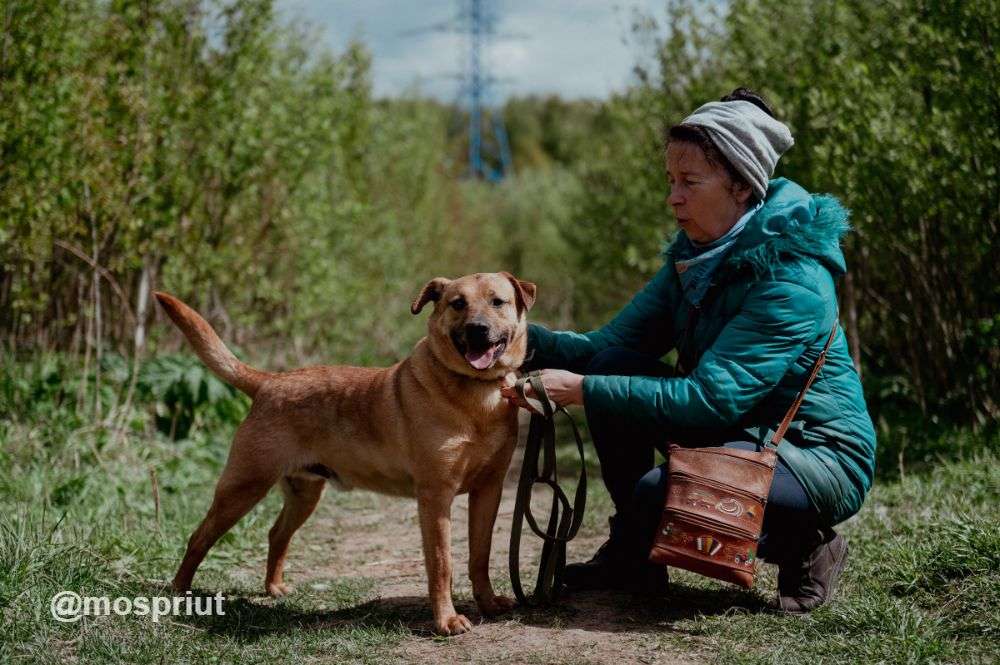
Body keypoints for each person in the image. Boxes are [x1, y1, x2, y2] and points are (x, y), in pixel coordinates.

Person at [501, 88, 876, 613]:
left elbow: (709, 400)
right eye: (671, 181)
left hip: (812, 453)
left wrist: (581, 391)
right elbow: (610, 348)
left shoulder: (793, 278)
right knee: (612, 369)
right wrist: (517, 335)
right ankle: (636, 558)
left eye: (690, 183)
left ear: (743, 186)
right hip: (736, 429)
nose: (673, 198)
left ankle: (808, 543)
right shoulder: (696, 257)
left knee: (660, 493)